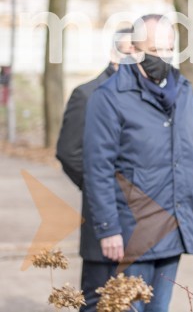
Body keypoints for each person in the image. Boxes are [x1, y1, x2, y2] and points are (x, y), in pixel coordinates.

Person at [83, 14, 193, 312]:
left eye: (169, 49)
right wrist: (107, 228)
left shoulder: (184, 91)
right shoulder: (109, 98)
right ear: (136, 50)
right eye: (156, 50)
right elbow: (97, 169)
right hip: (132, 235)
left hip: (174, 229)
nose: (164, 57)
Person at [56, 28, 134, 311]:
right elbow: (68, 152)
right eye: (129, 52)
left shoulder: (144, 97)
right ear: (114, 54)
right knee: (97, 299)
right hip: (102, 216)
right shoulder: (87, 95)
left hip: (141, 223)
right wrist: (97, 185)